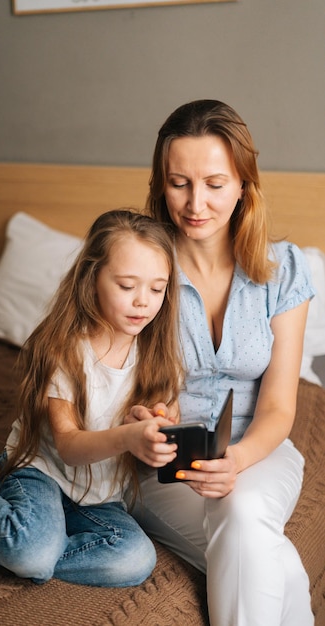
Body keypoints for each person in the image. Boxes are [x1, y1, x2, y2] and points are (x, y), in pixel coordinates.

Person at [0, 209, 183, 593]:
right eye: (127, 286)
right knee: (33, 555)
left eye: (157, 289)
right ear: (93, 278)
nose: (144, 302)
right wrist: (128, 436)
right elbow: (68, 445)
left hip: (100, 494)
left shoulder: (157, 357)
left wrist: (158, 426)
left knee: (134, 559)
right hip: (43, 471)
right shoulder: (67, 351)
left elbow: (160, 416)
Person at [127, 100, 315, 625]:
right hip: (163, 468)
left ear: (243, 185)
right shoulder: (139, 263)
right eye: (178, 182)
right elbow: (110, 377)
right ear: (160, 185)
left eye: (214, 183)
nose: (195, 203)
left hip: (260, 448)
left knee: (242, 506)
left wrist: (238, 459)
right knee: (278, 564)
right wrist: (141, 415)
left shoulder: (285, 271)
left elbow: (280, 405)